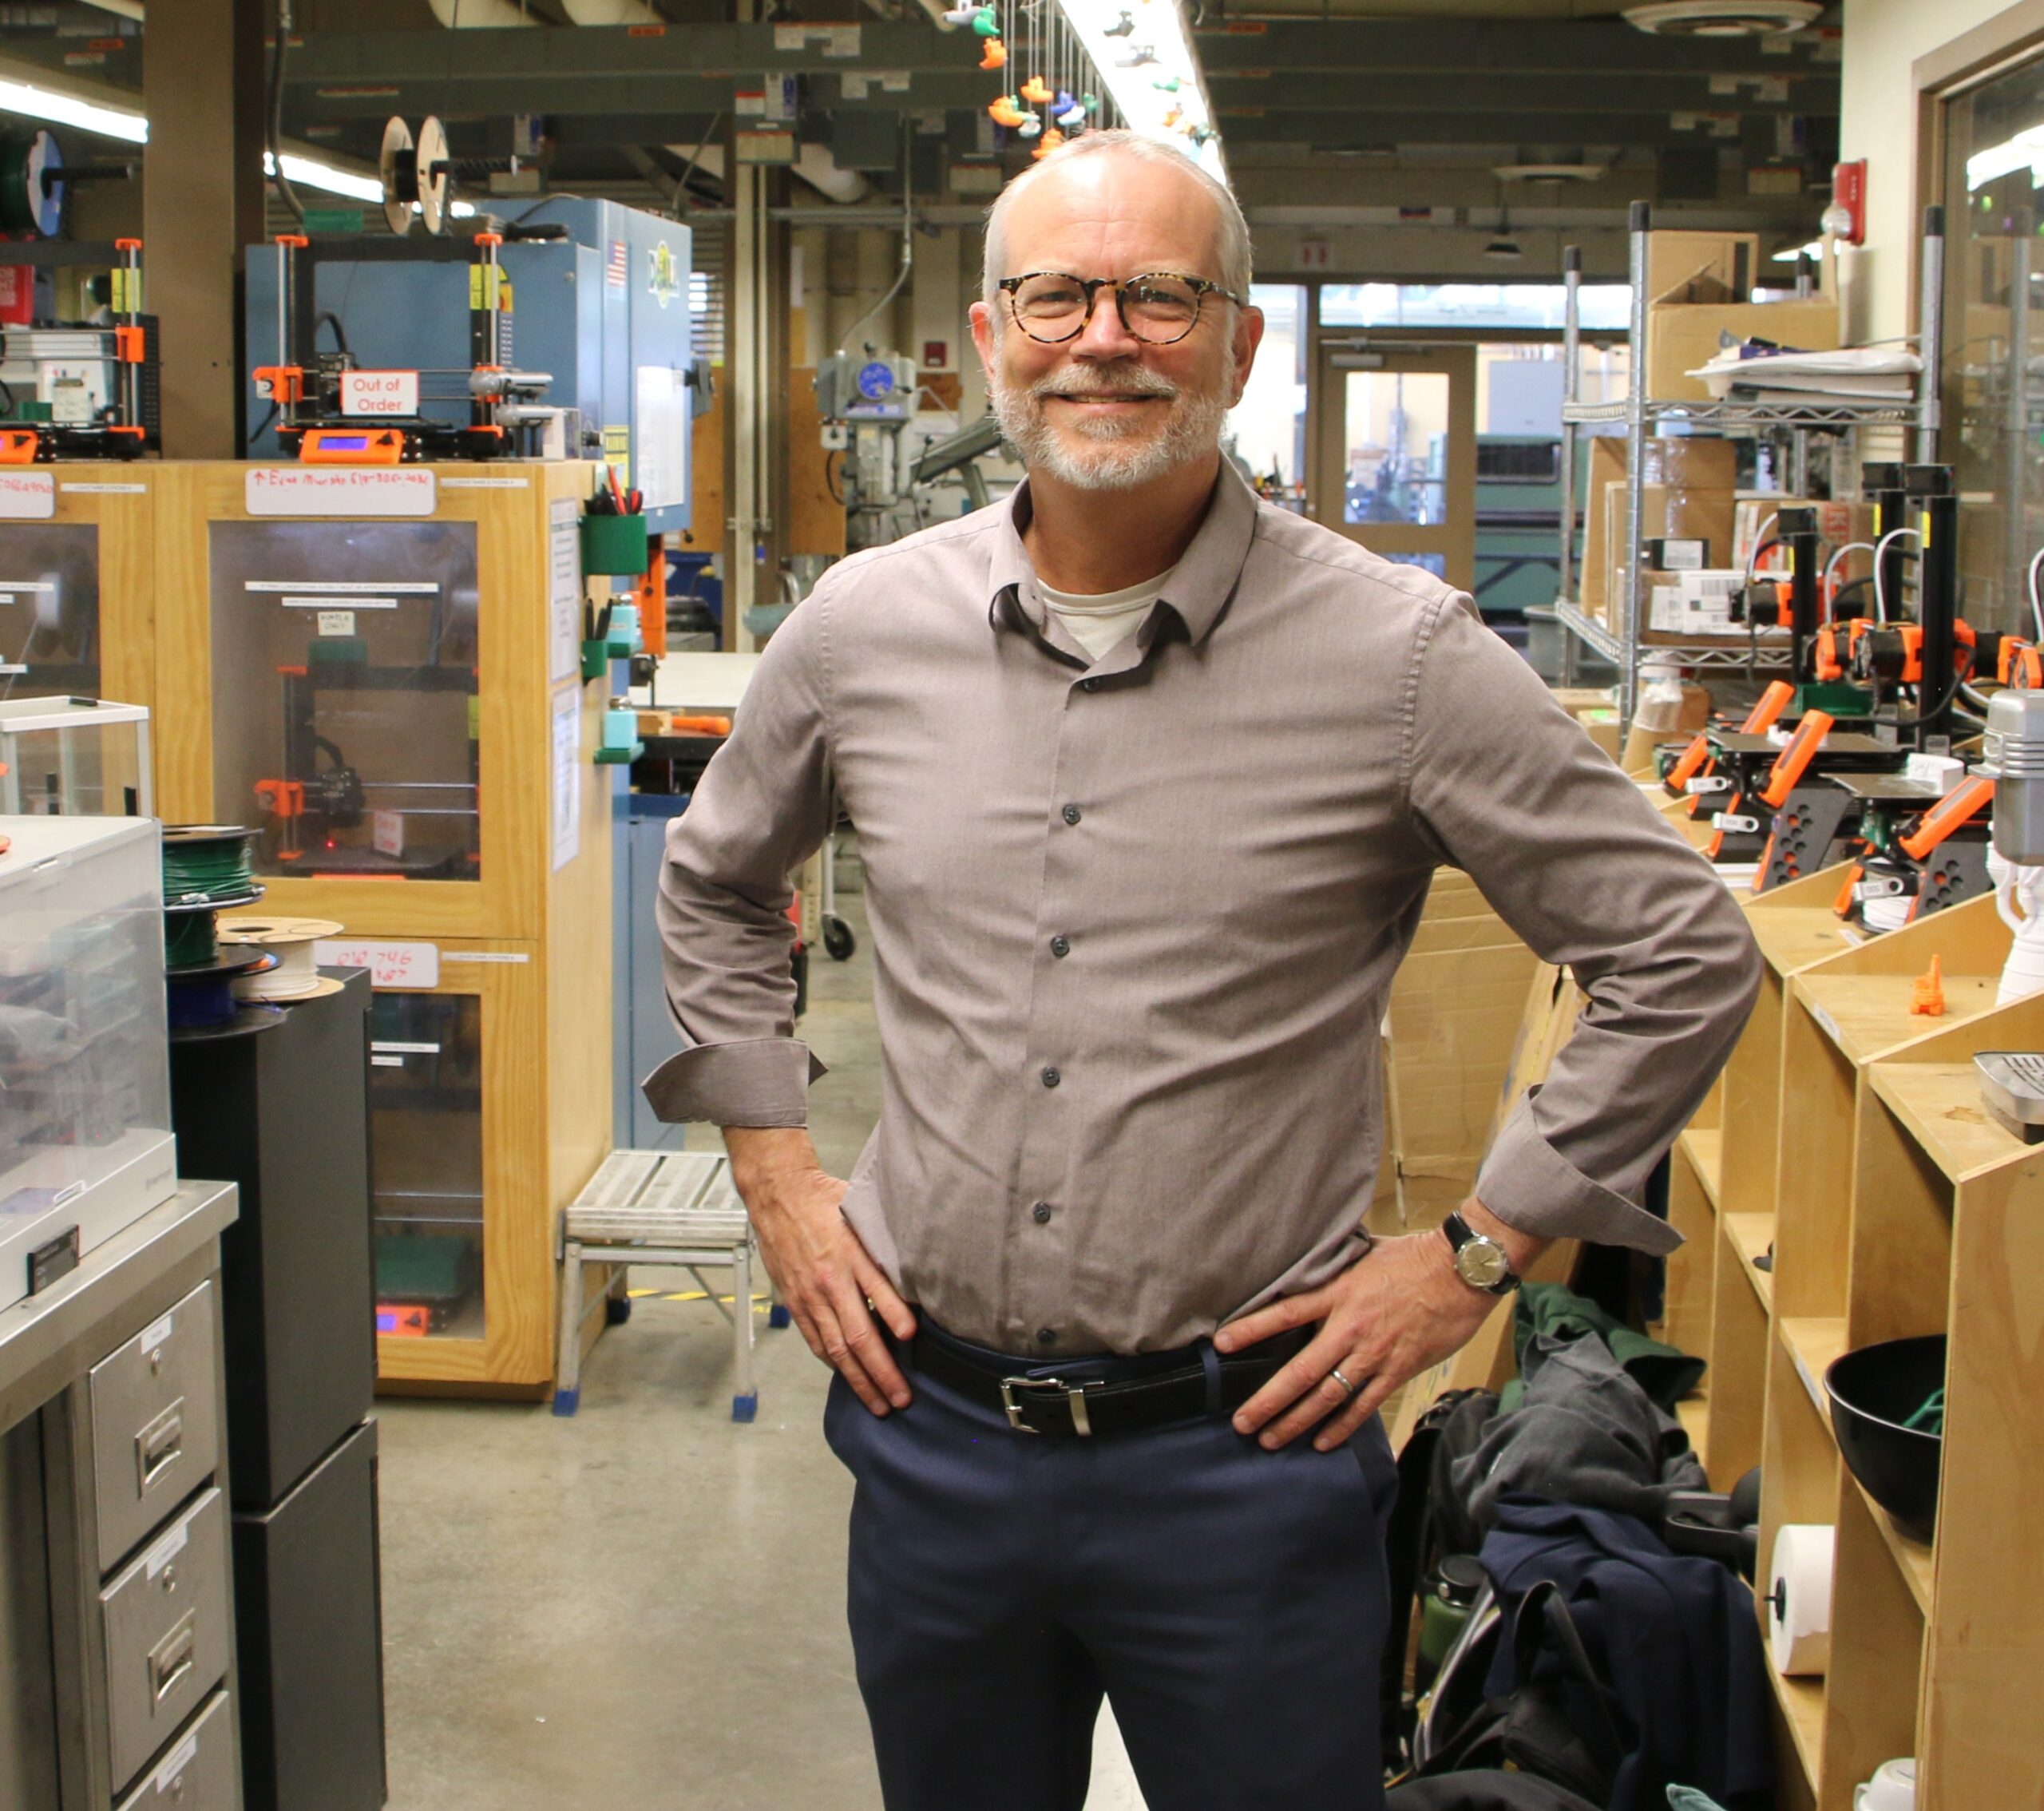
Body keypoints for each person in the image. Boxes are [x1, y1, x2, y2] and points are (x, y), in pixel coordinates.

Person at [648, 129, 1761, 1811]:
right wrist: (779, 1173)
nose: (1105, 336)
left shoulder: (1396, 661)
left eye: (1160, 297)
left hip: (1246, 1463)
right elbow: (717, 885)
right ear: (991, 331)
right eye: (1058, 295)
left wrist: (1474, 1251)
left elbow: (1677, 948)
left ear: (1239, 344)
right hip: (929, 1441)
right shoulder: (858, 632)